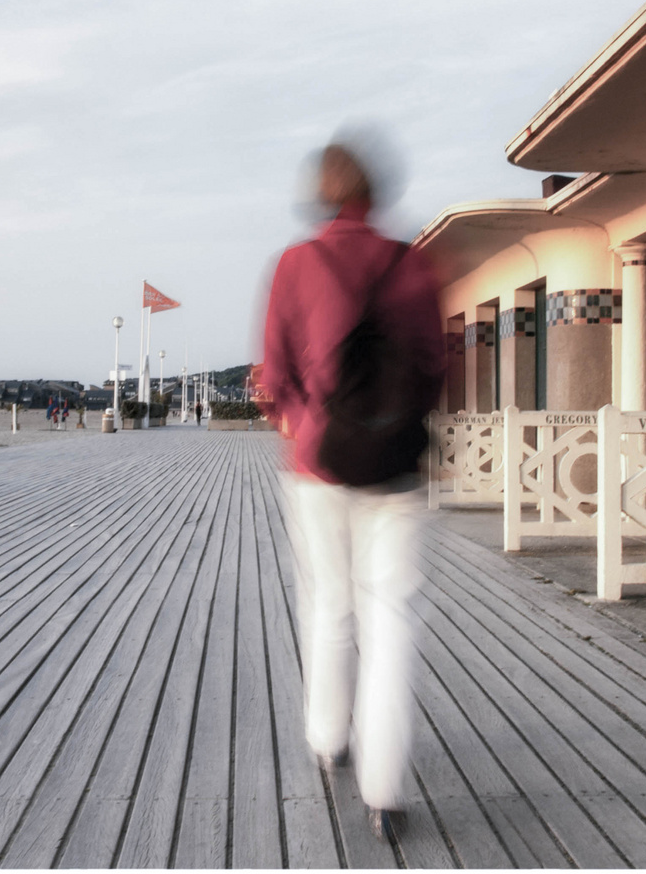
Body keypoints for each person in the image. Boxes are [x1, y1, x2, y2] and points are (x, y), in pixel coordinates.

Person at [261, 137, 444, 843]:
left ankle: (326, 736)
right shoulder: (412, 263)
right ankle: (385, 789)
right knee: (392, 617)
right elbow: (433, 365)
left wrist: (310, 422)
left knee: (330, 603)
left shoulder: (296, 263)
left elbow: (276, 374)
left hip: (316, 463)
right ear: (376, 190)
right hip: (396, 467)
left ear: (322, 193)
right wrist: (394, 422)